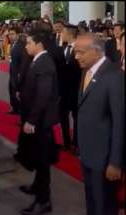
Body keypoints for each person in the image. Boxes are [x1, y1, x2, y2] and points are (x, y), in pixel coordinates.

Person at [74, 32, 124, 215]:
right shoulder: (86, 71)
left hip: (105, 160)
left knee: (105, 208)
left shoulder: (114, 76)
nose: (76, 56)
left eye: (81, 52)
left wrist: (115, 162)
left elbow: (120, 121)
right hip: (88, 154)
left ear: (96, 51)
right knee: (93, 204)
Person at [15, 28, 60, 215]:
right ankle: (36, 187)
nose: (26, 46)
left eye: (29, 43)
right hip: (35, 118)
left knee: (42, 161)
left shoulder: (44, 63)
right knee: (37, 156)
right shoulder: (37, 60)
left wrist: (31, 121)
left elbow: (43, 96)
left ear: (39, 44)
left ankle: (43, 200)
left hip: (40, 122)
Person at [58, 24, 82, 152]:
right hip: (64, 90)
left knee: (77, 117)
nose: (61, 34)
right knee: (63, 116)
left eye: (63, 32)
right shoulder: (63, 48)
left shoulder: (80, 49)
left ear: (70, 34)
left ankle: (76, 143)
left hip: (76, 89)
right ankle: (66, 142)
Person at [7, 27, 27, 115]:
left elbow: (23, 60)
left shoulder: (21, 45)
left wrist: (20, 73)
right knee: (11, 89)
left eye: (12, 34)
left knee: (17, 91)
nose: (10, 36)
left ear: (18, 35)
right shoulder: (13, 44)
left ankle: (20, 112)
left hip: (17, 72)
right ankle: (14, 108)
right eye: (9, 34)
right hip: (12, 70)